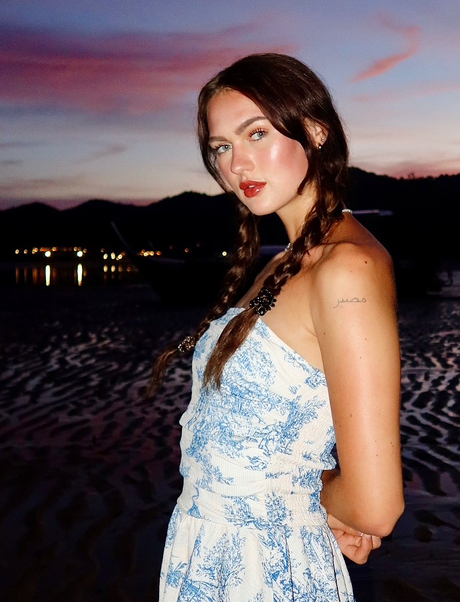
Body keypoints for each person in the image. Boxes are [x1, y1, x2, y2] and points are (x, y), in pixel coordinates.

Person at [149, 53, 404, 601]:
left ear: (315, 131)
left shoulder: (346, 269)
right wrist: (316, 499)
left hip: (267, 572)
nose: (237, 164)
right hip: (211, 554)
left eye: (256, 133)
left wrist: (311, 499)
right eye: (221, 147)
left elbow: (376, 506)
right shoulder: (286, 263)